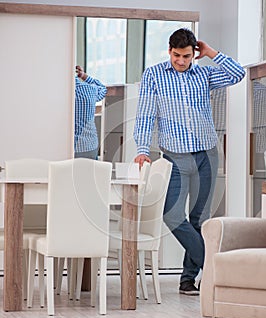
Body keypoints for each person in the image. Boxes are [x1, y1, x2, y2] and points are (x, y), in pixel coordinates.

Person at [133, 28, 245, 295]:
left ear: (194, 54)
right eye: (176, 55)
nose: (180, 61)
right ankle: (216, 268)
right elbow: (145, 114)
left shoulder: (204, 74)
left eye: (186, 56)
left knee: (199, 219)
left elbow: (237, 74)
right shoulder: (154, 75)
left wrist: (211, 53)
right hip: (175, 155)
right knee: (171, 215)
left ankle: (187, 280)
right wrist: (142, 148)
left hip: (207, 154)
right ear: (169, 50)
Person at [74, 65, 107, 160]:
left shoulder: (61, 91)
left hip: (67, 147)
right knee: (90, 174)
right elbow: (103, 88)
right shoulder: (90, 89)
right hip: (89, 145)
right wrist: (84, 76)